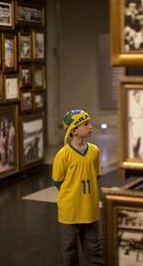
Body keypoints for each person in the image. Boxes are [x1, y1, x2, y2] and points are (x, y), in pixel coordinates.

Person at [52, 110, 103, 266]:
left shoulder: (94, 151)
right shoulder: (63, 155)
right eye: (86, 124)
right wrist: (72, 192)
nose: (90, 127)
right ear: (73, 130)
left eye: (89, 123)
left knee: (94, 248)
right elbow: (57, 181)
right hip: (71, 211)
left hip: (90, 209)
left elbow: (96, 175)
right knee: (69, 248)